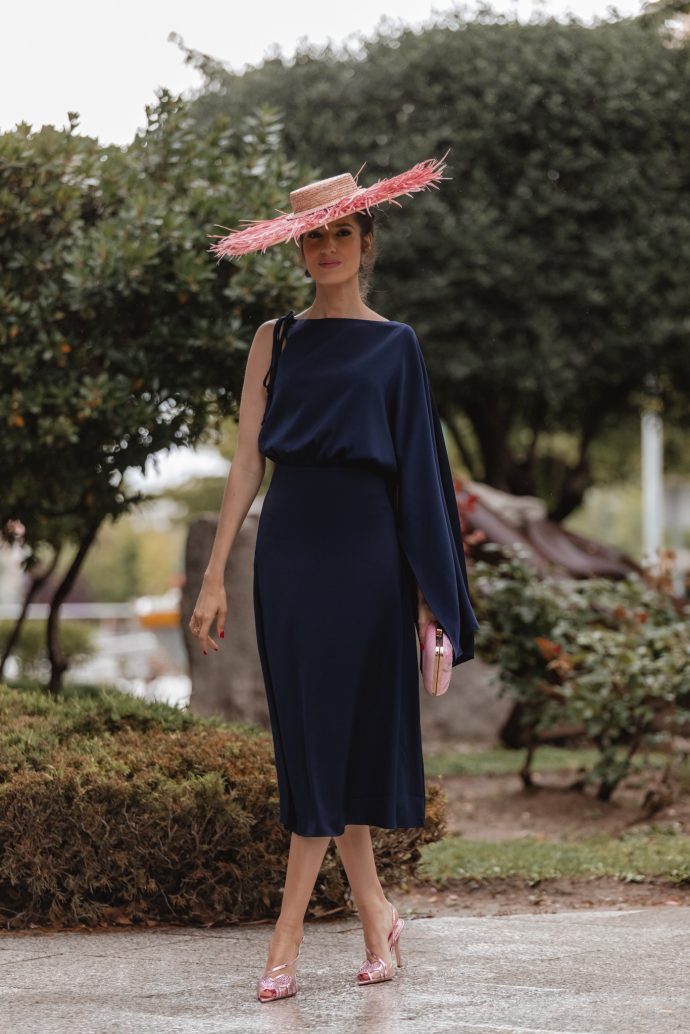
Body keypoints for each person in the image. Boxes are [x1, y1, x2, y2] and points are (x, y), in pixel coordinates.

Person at [189, 156, 480, 1002]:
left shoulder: (396, 347)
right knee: (315, 739)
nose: (328, 248)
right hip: (289, 555)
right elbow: (246, 463)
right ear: (298, 248)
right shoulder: (273, 341)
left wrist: (430, 591)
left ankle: (285, 940)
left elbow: (420, 475)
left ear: (366, 241)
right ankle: (376, 912)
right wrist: (214, 578)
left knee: (334, 740)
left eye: (341, 234)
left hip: (369, 561)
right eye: (313, 237)